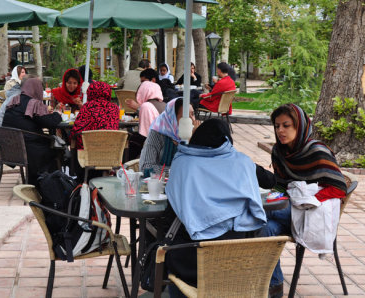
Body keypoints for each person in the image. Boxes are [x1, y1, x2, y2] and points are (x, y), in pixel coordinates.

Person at [164, 118, 268, 296]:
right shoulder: (242, 163)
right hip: (239, 264)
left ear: (197, 138)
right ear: (227, 140)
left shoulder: (183, 163)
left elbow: (170, 212)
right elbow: (270, 180)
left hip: (192, 265)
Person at [259, 104, 347, 298]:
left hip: (311, 215)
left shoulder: (317, 151)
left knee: (258, 210)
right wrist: (274, 195)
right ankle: (275, 286)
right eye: (277, 126)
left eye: (286, 125)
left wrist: (310, 200)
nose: (280, 130)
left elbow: (339, 187)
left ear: (299, 125)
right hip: (289, 212)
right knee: (264, 227)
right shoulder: (279, 152)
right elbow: (281, 185)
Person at [2, 78, 62, 186]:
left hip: (12, 149)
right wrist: (58, 113)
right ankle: (51, 184)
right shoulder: (33, 103)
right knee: (57, 149)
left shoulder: (15, 100)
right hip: (30, 150)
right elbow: (50, 123)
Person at [139, 98, 198, 174]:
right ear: (172, 119)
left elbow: (196, 167)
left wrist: (191, 141)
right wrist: (176, 170)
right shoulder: (157, 134)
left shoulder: (195, 134)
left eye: (192, 114)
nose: (192, 120)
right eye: (185, 117)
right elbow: (146, 167)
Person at [70, 81, 119, 150]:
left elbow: (77, 128)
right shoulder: (114, 108)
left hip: (89, 150)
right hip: (110, 149)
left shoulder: (87, 107)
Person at [128, 80, 165, 160]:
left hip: (154, 147)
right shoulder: (165, 105)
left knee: (132, 139)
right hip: (165, 144)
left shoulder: (146, 106)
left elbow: (145, 134)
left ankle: (129, 166)